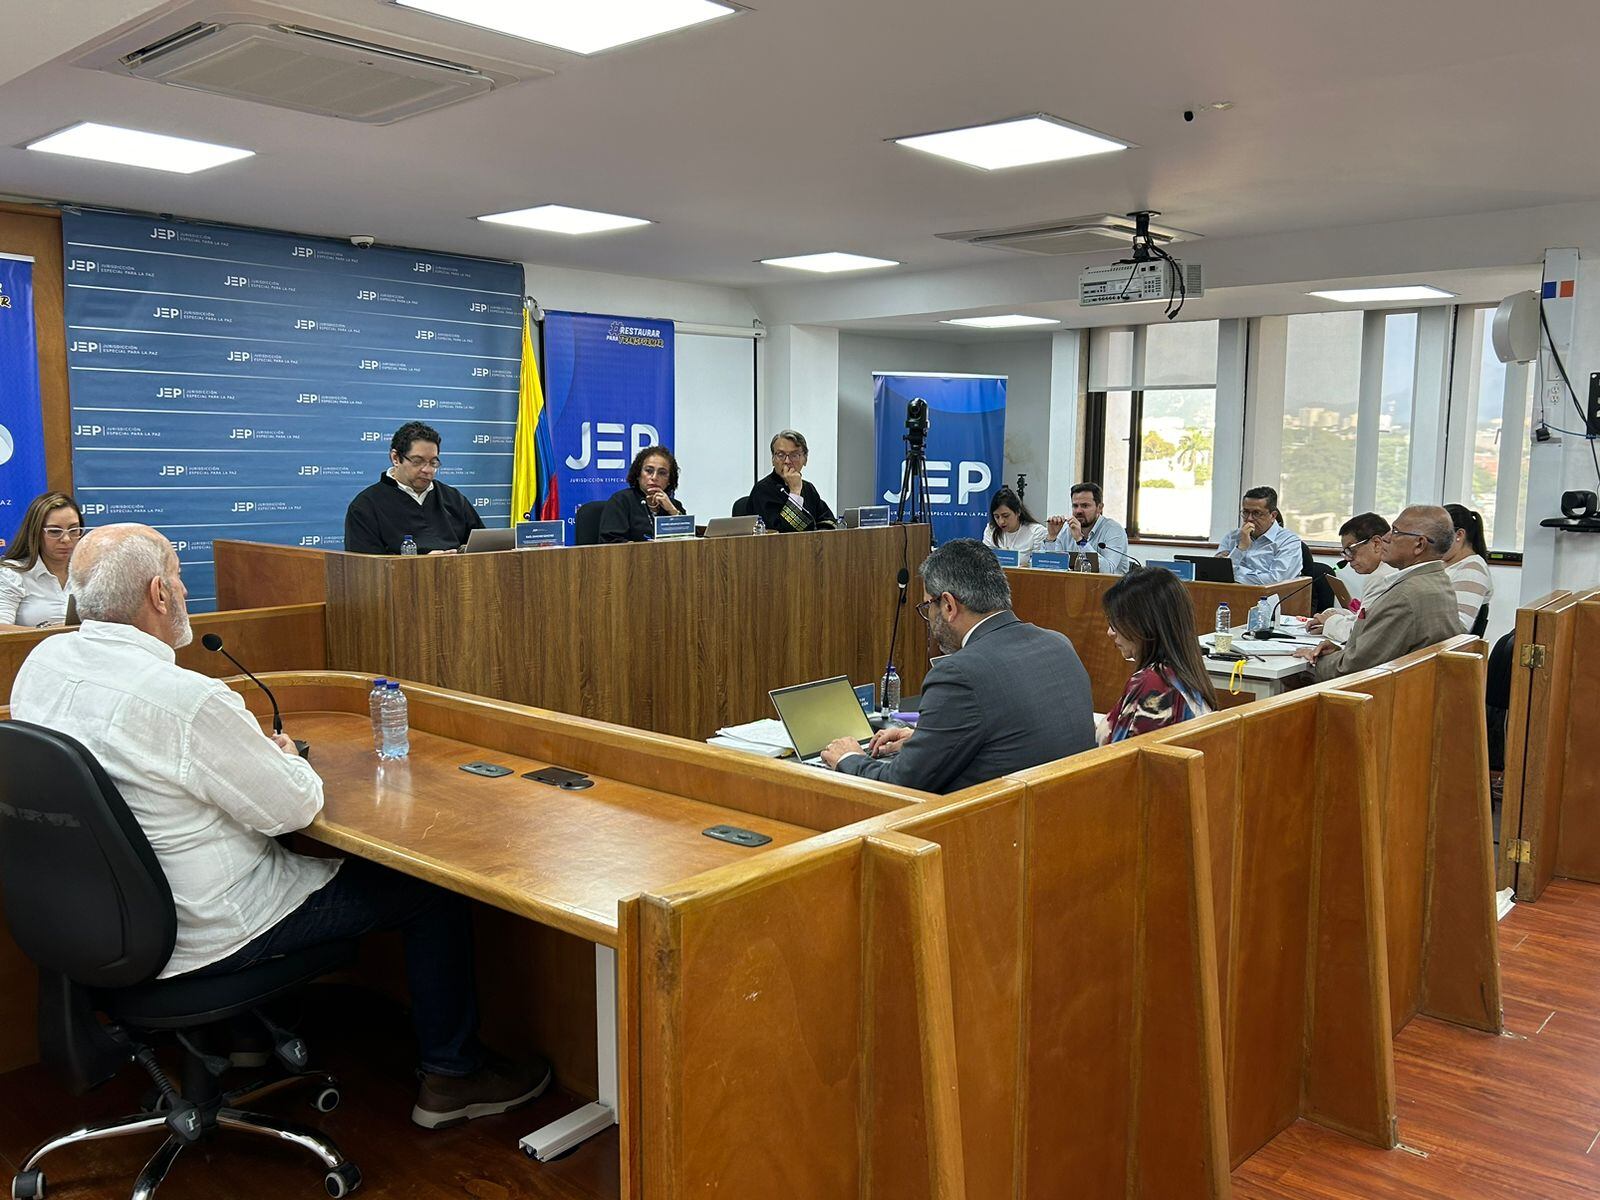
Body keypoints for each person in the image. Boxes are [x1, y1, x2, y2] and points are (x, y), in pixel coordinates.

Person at [10, 523, 549, 1129]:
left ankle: (247, 1040)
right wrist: (287, 759)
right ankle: (455, 1076)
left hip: (91, 924)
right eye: (181, 578)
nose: (186, 592)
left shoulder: (44, 662)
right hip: (204, 929)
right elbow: (292, 810)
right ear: (160, 594)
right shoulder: (185, 699)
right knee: (430, 892)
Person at [820, 539, 1094, 792]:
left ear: (949, 605)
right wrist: (924, 740)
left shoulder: (959, 674)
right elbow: (1009, 737)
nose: (927, 617)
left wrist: (849, 758)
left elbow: (901, 786)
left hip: (991, 832)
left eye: (928, 605)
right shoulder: (1059, 644)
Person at [1296, 505, 1463, 681]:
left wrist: (1315, 663)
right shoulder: (1438, 581)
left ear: (1419, 544)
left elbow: (1354, 669)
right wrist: (1340, 652)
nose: (1386, 538)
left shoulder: (1405, 596)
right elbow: (1375, 653)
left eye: (1396, 531)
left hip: (1386, 698)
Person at [1097, 567, 1218, 744]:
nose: (1110, 632)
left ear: (1144, 624)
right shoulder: (1182, 672)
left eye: (1116, 623)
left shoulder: (1153, 683)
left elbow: (1122, 761)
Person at [344, 421, 484, 554]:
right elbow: (365, 567)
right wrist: (422, 565)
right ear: (396, 458)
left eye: (433, 462)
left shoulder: (453, 498)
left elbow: (484, 547)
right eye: (418, 462)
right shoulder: (366, 506)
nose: (427, 470)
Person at [0, 492, 83, 630]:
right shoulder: (11, 574)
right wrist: (47, 631)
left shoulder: (88, 573)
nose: (66, 539)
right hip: (29, 651)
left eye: (74, 530)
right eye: (55, 532)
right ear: (35, 533)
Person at [1308, 513, 1395, 643]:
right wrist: (1336, 616)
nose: (1347, 559)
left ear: (1376, 544)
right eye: (1345, 552)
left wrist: (1329, 621)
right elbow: (1367, 618)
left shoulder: (1382, 577)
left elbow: (1358, 633)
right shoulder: (1387, 569)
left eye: (1350, 550)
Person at [747, 430, 836, 532]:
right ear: (773, 459)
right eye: (781, 455)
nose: (787, 461)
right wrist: (794, 491)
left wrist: (820, 536)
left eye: (794, 455)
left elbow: (828, 520)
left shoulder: (808, 488)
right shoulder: (762, 489)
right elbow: (782, 532)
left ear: (805, 459)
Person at [1216, 486, 1304, 585]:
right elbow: (1217, 573)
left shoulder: (1288, 541)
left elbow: (1275, 581)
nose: (1249, 519)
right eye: (1245, 512)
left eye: (1256, 513)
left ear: (1273, 515)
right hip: (1229, 595)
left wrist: (1234, 574)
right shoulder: (1231, 537)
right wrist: (1241, 548)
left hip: (1269, 598)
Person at [600, 445, 687, 543]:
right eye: (649, 471)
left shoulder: (675, 505)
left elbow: (688, 541)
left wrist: (672, 511)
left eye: (662, 473)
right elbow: (611, 541)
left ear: (669, 480)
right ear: (638, 474)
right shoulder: (621, 500)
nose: (654, 477)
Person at [1047, 482, 1131, 571]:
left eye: (1085, 506)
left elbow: (1107, 570)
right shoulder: (1066, 530)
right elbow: (1050, 567)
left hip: (1110, 584)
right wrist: (1052, 537)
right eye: (1075, 506)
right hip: (1075, 583)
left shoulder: (1114, 530)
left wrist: (1080, 541)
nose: (1078, 511)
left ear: (1100, 507)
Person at [1442, 503, 1494, 631]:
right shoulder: (1445, 562)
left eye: (1438, 535)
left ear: (1459, 535)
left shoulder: (1472, 569)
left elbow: (1459, 627)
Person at [982, 487, 1048, 562]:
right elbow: (985, 561)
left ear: (1018, 512)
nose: (1001, 522)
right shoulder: (991, 530)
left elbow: (1039, 564)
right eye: (996, 516)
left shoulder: (1037, 532)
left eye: (1006, 516)